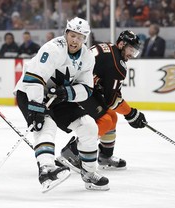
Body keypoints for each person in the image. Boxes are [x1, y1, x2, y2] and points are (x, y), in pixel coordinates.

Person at [14, 17, 109, 192]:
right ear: (66, 33)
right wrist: (36, 106)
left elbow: (87, 88)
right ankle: (47, 170)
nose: (75, 40)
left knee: (89, 126)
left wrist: (66, 93)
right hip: (30, 92)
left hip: (58, 96)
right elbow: (34, 77)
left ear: (85, 39)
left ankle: (89, 174)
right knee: (46, 125)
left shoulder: (87, 57)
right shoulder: (54, 48)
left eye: (80, 37)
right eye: (72, 35)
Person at [57, 30, 147, 171]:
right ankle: (72, 151)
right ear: (122, 44)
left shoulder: (110, 48)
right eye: (131, 50)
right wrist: (131, 114)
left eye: (135, 51)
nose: (132, 55)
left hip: (78, 85)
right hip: (75, 90)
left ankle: (105, 157)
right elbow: (112, 100)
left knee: (112, 116)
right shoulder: (117, 65)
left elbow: (110, 94)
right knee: (105, 120)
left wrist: (130, 113)